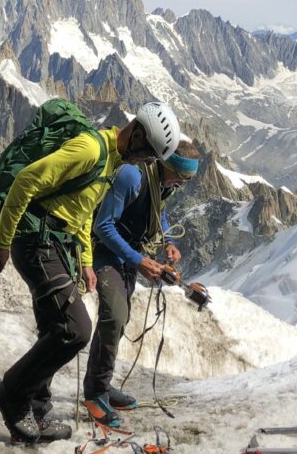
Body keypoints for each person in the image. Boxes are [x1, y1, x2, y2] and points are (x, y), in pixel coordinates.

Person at [0, 101, 180, 445]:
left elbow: (85, 213)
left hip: (56, 243)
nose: (146, 161)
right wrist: (1, 241)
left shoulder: (112, 161)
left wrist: (87, 262)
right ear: (135, 133)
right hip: (36, 240)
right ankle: (11, 395)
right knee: (75, 329)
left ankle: (38, 412)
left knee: (53, 327)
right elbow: (26, 181)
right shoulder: (90, 149)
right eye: (147, 152)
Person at [83, 140, 201, 427]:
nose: (182, 185)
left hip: (126, 256)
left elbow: (157, 210)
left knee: (118, 320)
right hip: (105, 252)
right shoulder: (131, 176)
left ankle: (101, 385)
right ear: (170, 166)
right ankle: (95, 393)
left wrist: (169, 242)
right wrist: (138, 260)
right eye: (183, 178)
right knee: (115, 315)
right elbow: (103, 225)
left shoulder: (163, 183)